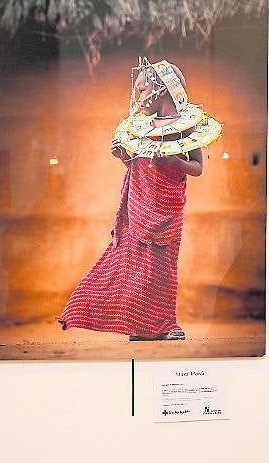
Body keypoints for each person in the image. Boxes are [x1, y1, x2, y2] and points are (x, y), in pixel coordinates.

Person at [59, 58, 219, 341]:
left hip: (168, 208)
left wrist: (175, 161)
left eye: (143, 90)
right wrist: (123, 156)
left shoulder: (187, 126)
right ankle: (139, 327)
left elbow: (197, 168)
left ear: (162, 89)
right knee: (134, 267)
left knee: (162, 269)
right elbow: (139, 166)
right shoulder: (141, 128)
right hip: (139, 207)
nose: (138, 97)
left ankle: (165, 325)